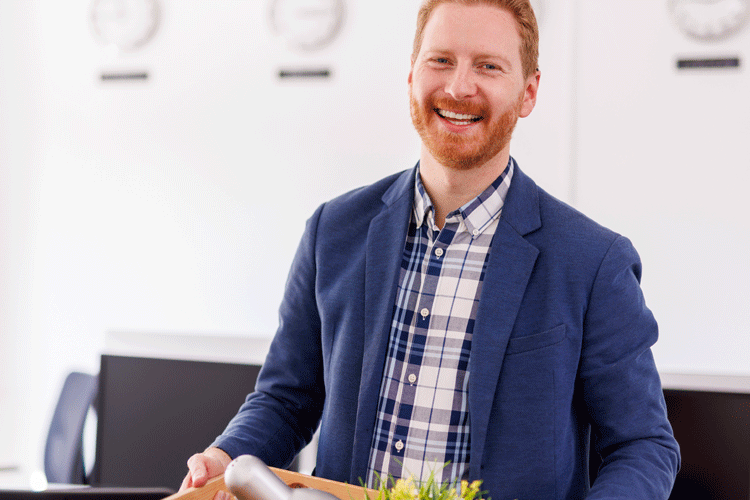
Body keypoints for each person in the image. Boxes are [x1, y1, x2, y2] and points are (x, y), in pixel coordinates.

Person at [182, 0, 680, 498]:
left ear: (527, 93)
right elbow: (286, 399)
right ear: (411, 76)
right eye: (440, 60)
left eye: (488, 66)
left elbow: (643, 446)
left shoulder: (592, 262)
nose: (459, 86)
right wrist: (224, 457)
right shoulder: (333, 232)